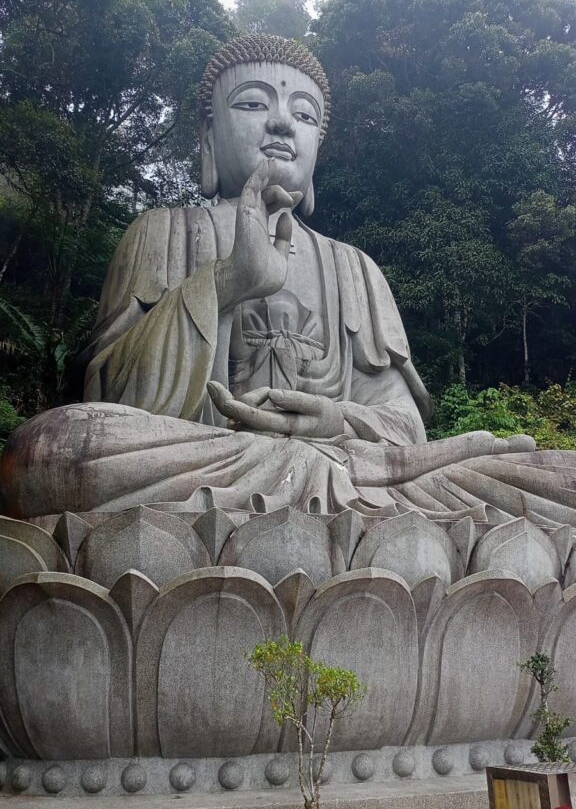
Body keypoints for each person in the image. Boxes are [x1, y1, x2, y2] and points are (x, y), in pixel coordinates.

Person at [6, 34, 572, 526]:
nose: (281, 122)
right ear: (208, 136)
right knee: (54, 452)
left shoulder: (355, 267)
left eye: (304, 114)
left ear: (317, 146)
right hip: (210, 460)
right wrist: (228, 282)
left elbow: (406, 433)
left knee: (558, 478)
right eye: (253, 103)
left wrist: (332, 419)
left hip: (349, 469)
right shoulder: (162, 233)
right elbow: (116, 398)